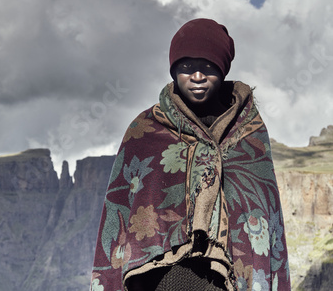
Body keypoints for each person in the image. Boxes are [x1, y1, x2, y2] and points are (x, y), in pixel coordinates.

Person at [91, 18, 290, 291]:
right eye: (186, 67)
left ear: (222, 69)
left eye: (208, 66)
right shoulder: (145, 132)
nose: (197, 76)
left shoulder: (249, 133)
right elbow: (119, 218)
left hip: (231, 281)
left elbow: (266, 216)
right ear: (173, 71)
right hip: (159, 282)